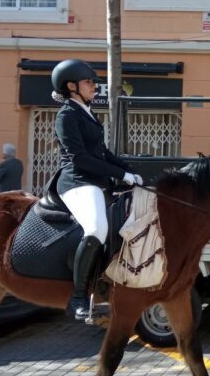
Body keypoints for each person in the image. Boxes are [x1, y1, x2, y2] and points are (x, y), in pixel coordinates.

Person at [51, 59, 142, 321]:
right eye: (89, 82)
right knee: (96, 229)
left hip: (96, 180)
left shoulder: (86, 112)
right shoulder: (67, 115)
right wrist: (121, 174)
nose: (94, 86)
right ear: (72, 86)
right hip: (78, 182)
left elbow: (101, 153)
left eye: (93, 82)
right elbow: (80, 158)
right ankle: (77, 298)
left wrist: (129, 169)